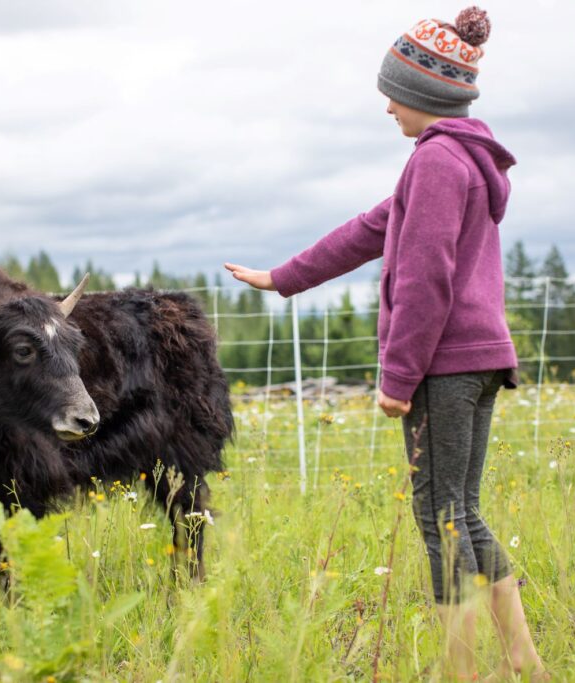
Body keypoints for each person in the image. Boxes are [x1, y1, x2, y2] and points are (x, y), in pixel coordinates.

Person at [224, 7, 547, 680]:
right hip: (482, 358)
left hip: (444, 364)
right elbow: (369, 229)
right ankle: (528, 664)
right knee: (463, 511)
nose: (388, 106)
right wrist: (282, 277)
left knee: (440, 520)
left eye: (394, 91)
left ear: (427, 93)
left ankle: (461, 672)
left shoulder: (436, 162)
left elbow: (426, 280)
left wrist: (397, 379)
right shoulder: (459, 159)